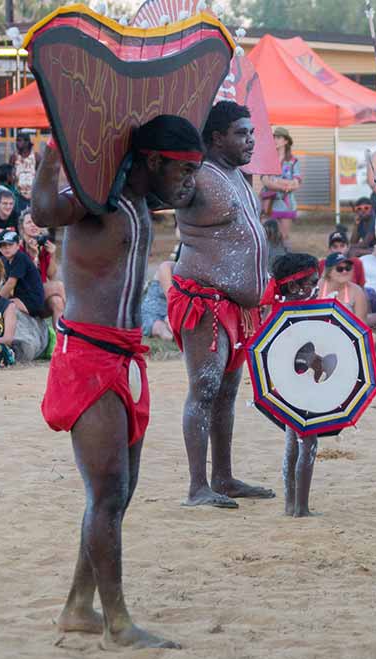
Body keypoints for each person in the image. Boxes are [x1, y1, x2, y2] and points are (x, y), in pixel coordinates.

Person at [33, 114, 204, 649]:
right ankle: (119, 625)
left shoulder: (138, 203)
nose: (188, 181)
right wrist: (50, 156)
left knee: (119, 493)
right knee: (107, 493)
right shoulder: (96, 197)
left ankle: (79, 606)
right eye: (182, 169)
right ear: (153, 161)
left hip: (126, 358)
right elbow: (43, 212)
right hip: (87, 355)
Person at [170, 100, 274, 509]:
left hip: (236, 304)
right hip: (204, 301)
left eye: (251, 133)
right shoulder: (195, 176)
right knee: (205, 388)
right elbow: (167, 192)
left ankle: (223, 477)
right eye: (241, 133)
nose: (251, 140)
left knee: (227, 391)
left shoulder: (235, 176)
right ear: (216, 138)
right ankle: (198, 487)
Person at [268, 253, 322, 517]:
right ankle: (301, 507)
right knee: (308, 444)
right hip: (299, 385)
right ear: (293, 287)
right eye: (312, 282)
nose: (316, 287)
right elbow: (298, 355)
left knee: (292, 441)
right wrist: (316, 362)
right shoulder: (296, 313)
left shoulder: (280, 310)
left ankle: (291, 503)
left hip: (286, 386)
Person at [19, 210, 65, 320]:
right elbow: (28, 280)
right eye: (29, 222)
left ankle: (59, 336)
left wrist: (52, 254)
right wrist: (34, 257)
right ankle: (71, 322)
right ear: (22, 227)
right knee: (58, 286)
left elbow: (51, 275)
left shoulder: (43, 246)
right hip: (24, 295)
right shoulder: (18, 248)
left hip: (40, 293)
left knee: (57, 302)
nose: (33, 225)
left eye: (36, 222)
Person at [260, 127, 301, 241]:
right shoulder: (267, 159)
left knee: (284, 238)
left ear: (286, 141)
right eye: (273, 137)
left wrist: (276, 181)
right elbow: (265, 181)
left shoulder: (293, 161)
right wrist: (286, 185)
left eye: (278, 137)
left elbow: (296, 183)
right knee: (266, 236)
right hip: (269, 204)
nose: (275, 140)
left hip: (286, 204)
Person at [0, 231, 47, 317]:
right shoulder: (5, 260)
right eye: (3, 246)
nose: (7, 248)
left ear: (17, 245)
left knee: (3, 308)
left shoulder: (20, 257)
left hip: (31, 301)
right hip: (21, 298)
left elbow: (10, 284)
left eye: (10, 245)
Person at [318, 252, 368, 324]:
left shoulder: (357, 291)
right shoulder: (317, 287)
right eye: (339, 269)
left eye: (348, 268)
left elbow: (361, 323)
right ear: (329, 272)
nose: (344, 272)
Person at [140, 260, 175, 340]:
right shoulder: (175, 267)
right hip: (155, 308)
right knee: (159, 328)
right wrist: (173, 312)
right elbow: (164, 266)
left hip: (176, 310)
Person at [11, 132, 41, 214]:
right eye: (16, 141)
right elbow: (10, 174)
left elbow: (41, 176)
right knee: (19, 218)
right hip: (18, 195)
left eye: (19, 140)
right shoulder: (14, 157)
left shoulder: (36, 156)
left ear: (27, 142)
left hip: (33, 195)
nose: (17, 143)